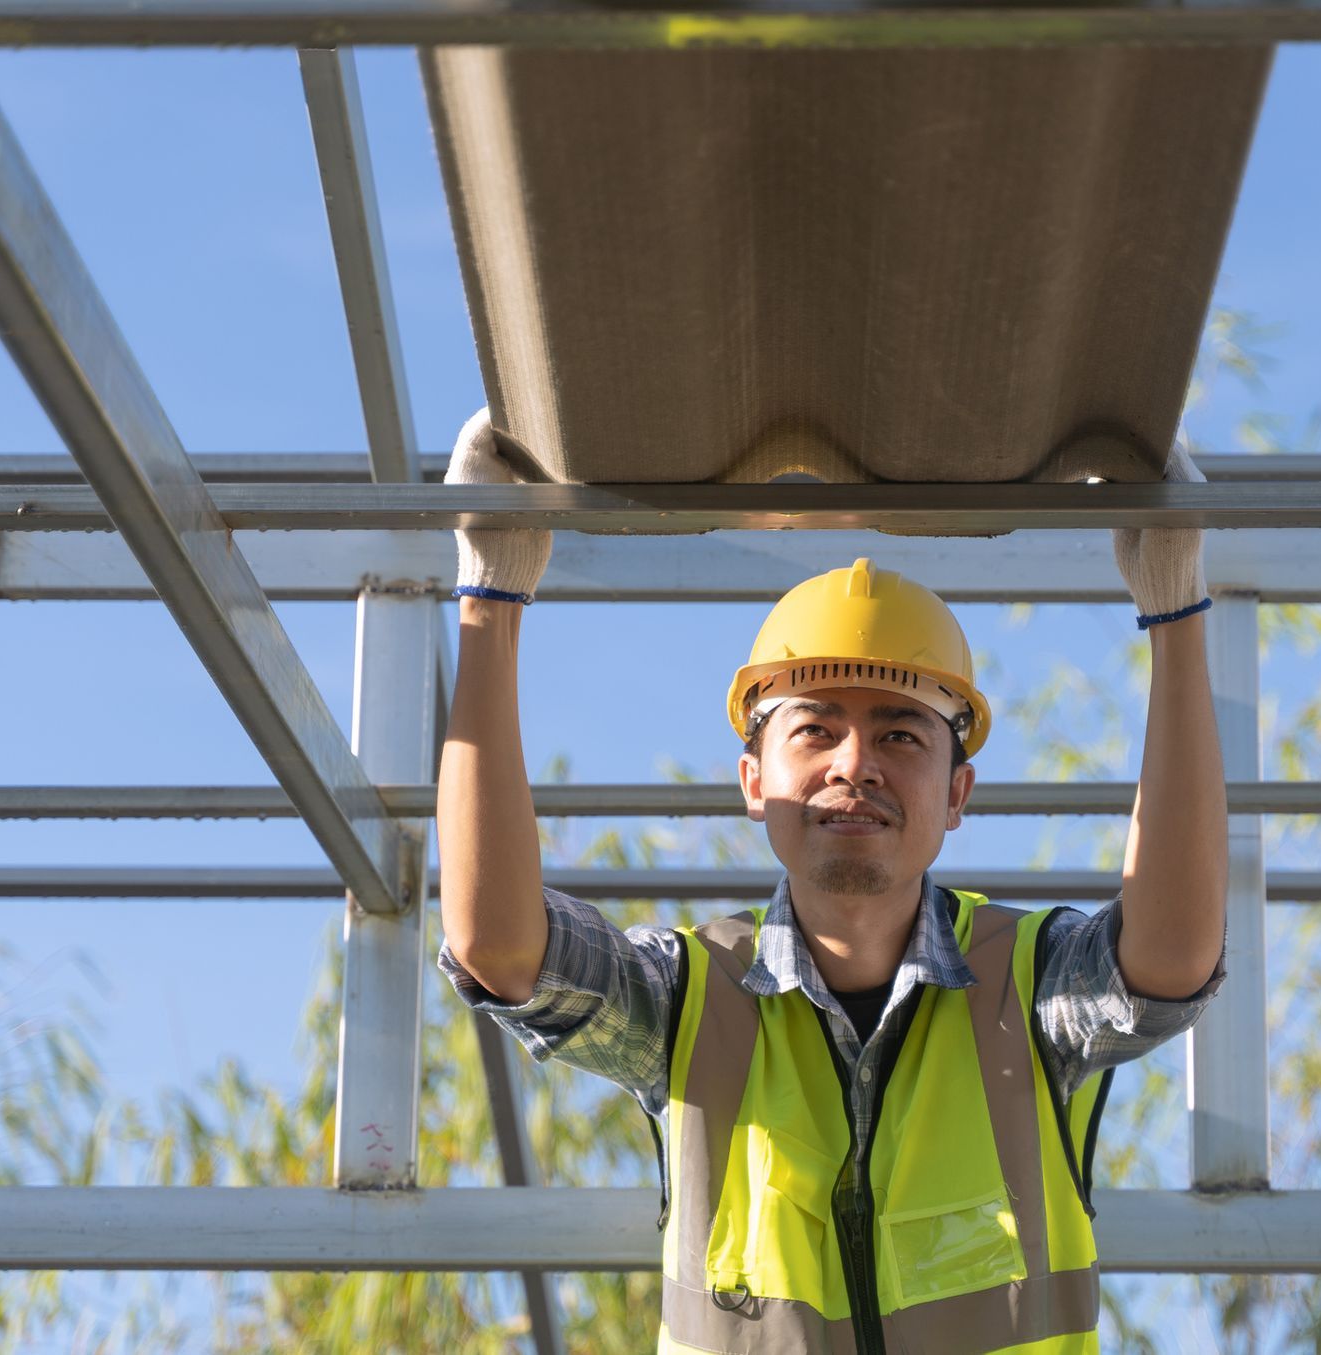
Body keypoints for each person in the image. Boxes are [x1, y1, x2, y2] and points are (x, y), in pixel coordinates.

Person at [435, 407, 1229, 1353]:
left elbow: (1172, 955)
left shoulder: (1028, 986)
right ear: (751, 780)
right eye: (814, 728)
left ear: (957, 791)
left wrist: (1176, 610)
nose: (856, 763)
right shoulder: (690, 998)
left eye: (901, 732)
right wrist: (489, 591)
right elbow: (497, 944)